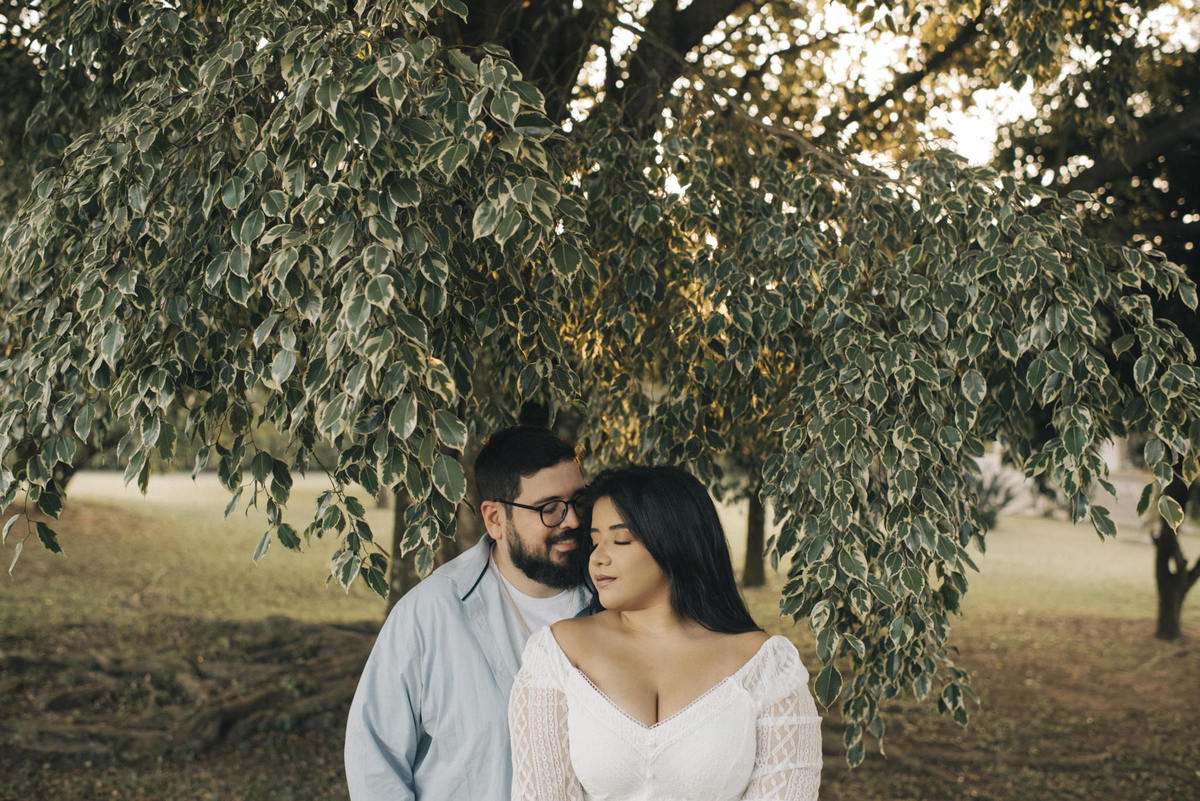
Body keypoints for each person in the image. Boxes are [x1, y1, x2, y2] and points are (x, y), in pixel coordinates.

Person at [508, 465, 822, 801]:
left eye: (621, 539)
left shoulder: (766, 666)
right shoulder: (557, 655)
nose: (598, 558)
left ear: (675, 542)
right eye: (595, 541)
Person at [345, 426, 593, 801]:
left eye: (579, 502)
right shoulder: (428, 614)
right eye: (550, 509)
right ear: (495, 519)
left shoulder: (614, 599)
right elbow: (373, 761)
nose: (572, 520)